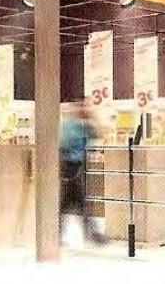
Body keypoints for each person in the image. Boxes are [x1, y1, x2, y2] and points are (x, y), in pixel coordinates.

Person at [59, 99, 108, 245]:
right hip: (70, 167)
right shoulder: (69, 125)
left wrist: (92, 117)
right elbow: (64, 144)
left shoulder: (83, 125)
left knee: (73, 203)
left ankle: (91, 234)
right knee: (76, 202)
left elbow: (98, 134)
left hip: (78, 166)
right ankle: (93, 234)